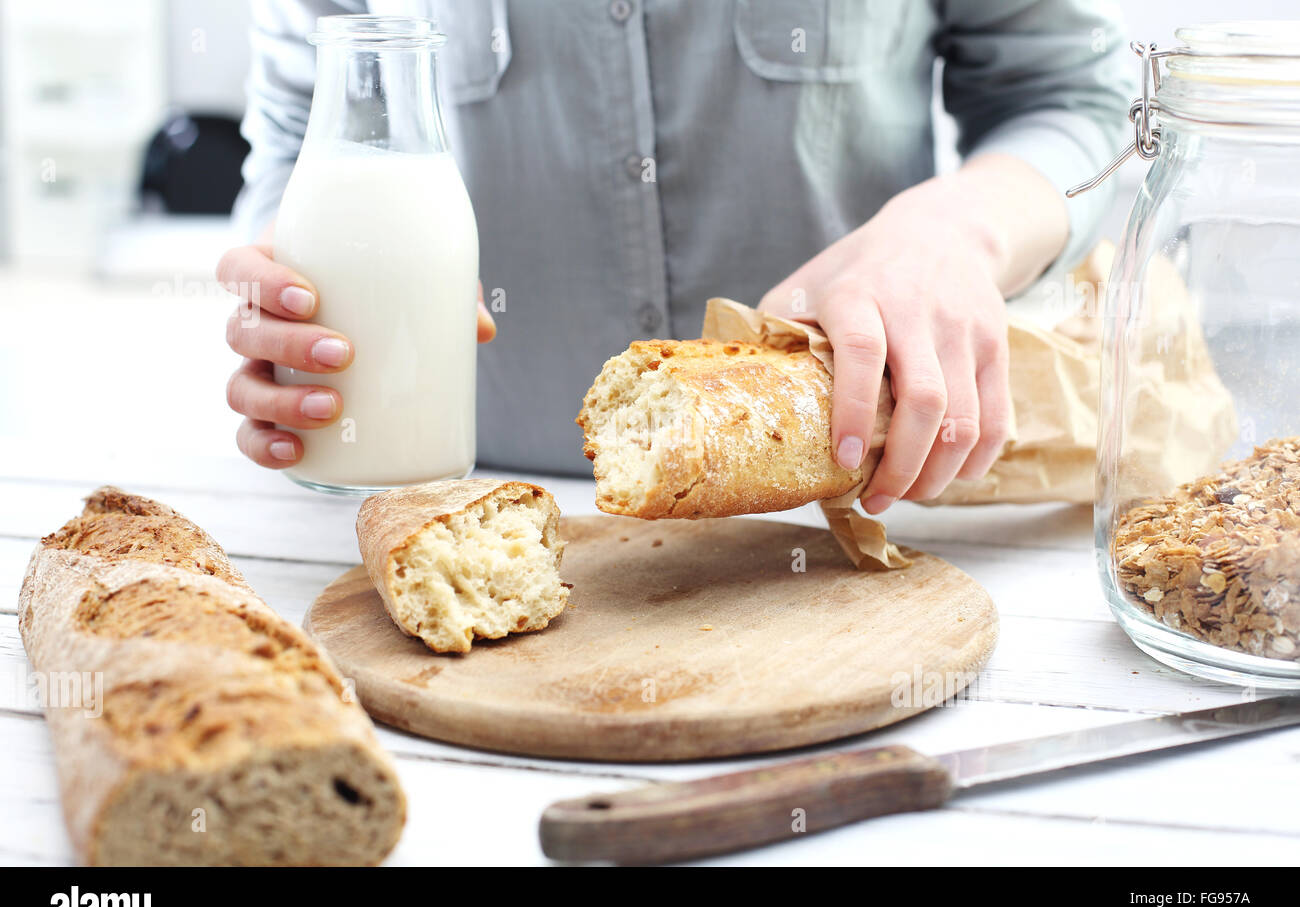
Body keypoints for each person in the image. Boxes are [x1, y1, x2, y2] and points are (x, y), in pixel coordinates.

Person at [219, 0, 1130, 513]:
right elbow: (301, 133)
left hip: (842, 531)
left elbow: (1076, 98)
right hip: (439, 505)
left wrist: (958, 228)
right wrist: (289, 291)